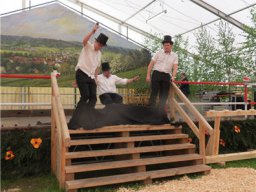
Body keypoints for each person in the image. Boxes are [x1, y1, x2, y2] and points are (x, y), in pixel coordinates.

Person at [75, 23, 108, 108]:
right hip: (82, 73)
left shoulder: (99, 54)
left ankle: (88, 116)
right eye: (99, 44)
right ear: (96, 41)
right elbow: (84, 40)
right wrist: (92, 31)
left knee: (93, 98)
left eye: (102, 46)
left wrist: (96, 79)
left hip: (91, 77)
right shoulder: (88, 46)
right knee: (85, 96)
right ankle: (77, 117)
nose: (100, 47)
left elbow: (97, 67)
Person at [146, 35, 178, 112]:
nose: (166, 47)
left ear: (171, 45)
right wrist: (148, 75)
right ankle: (150, 111)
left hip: (166, 75)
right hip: (156, 74)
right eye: (165, 45)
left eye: (168, 45)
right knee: (154, 92)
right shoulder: (158, 52)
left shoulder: (175, 55)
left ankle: (160, 113)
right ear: (163, 45)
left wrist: (173, 77)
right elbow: (151, 64)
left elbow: (175, 67)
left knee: (164, 95)